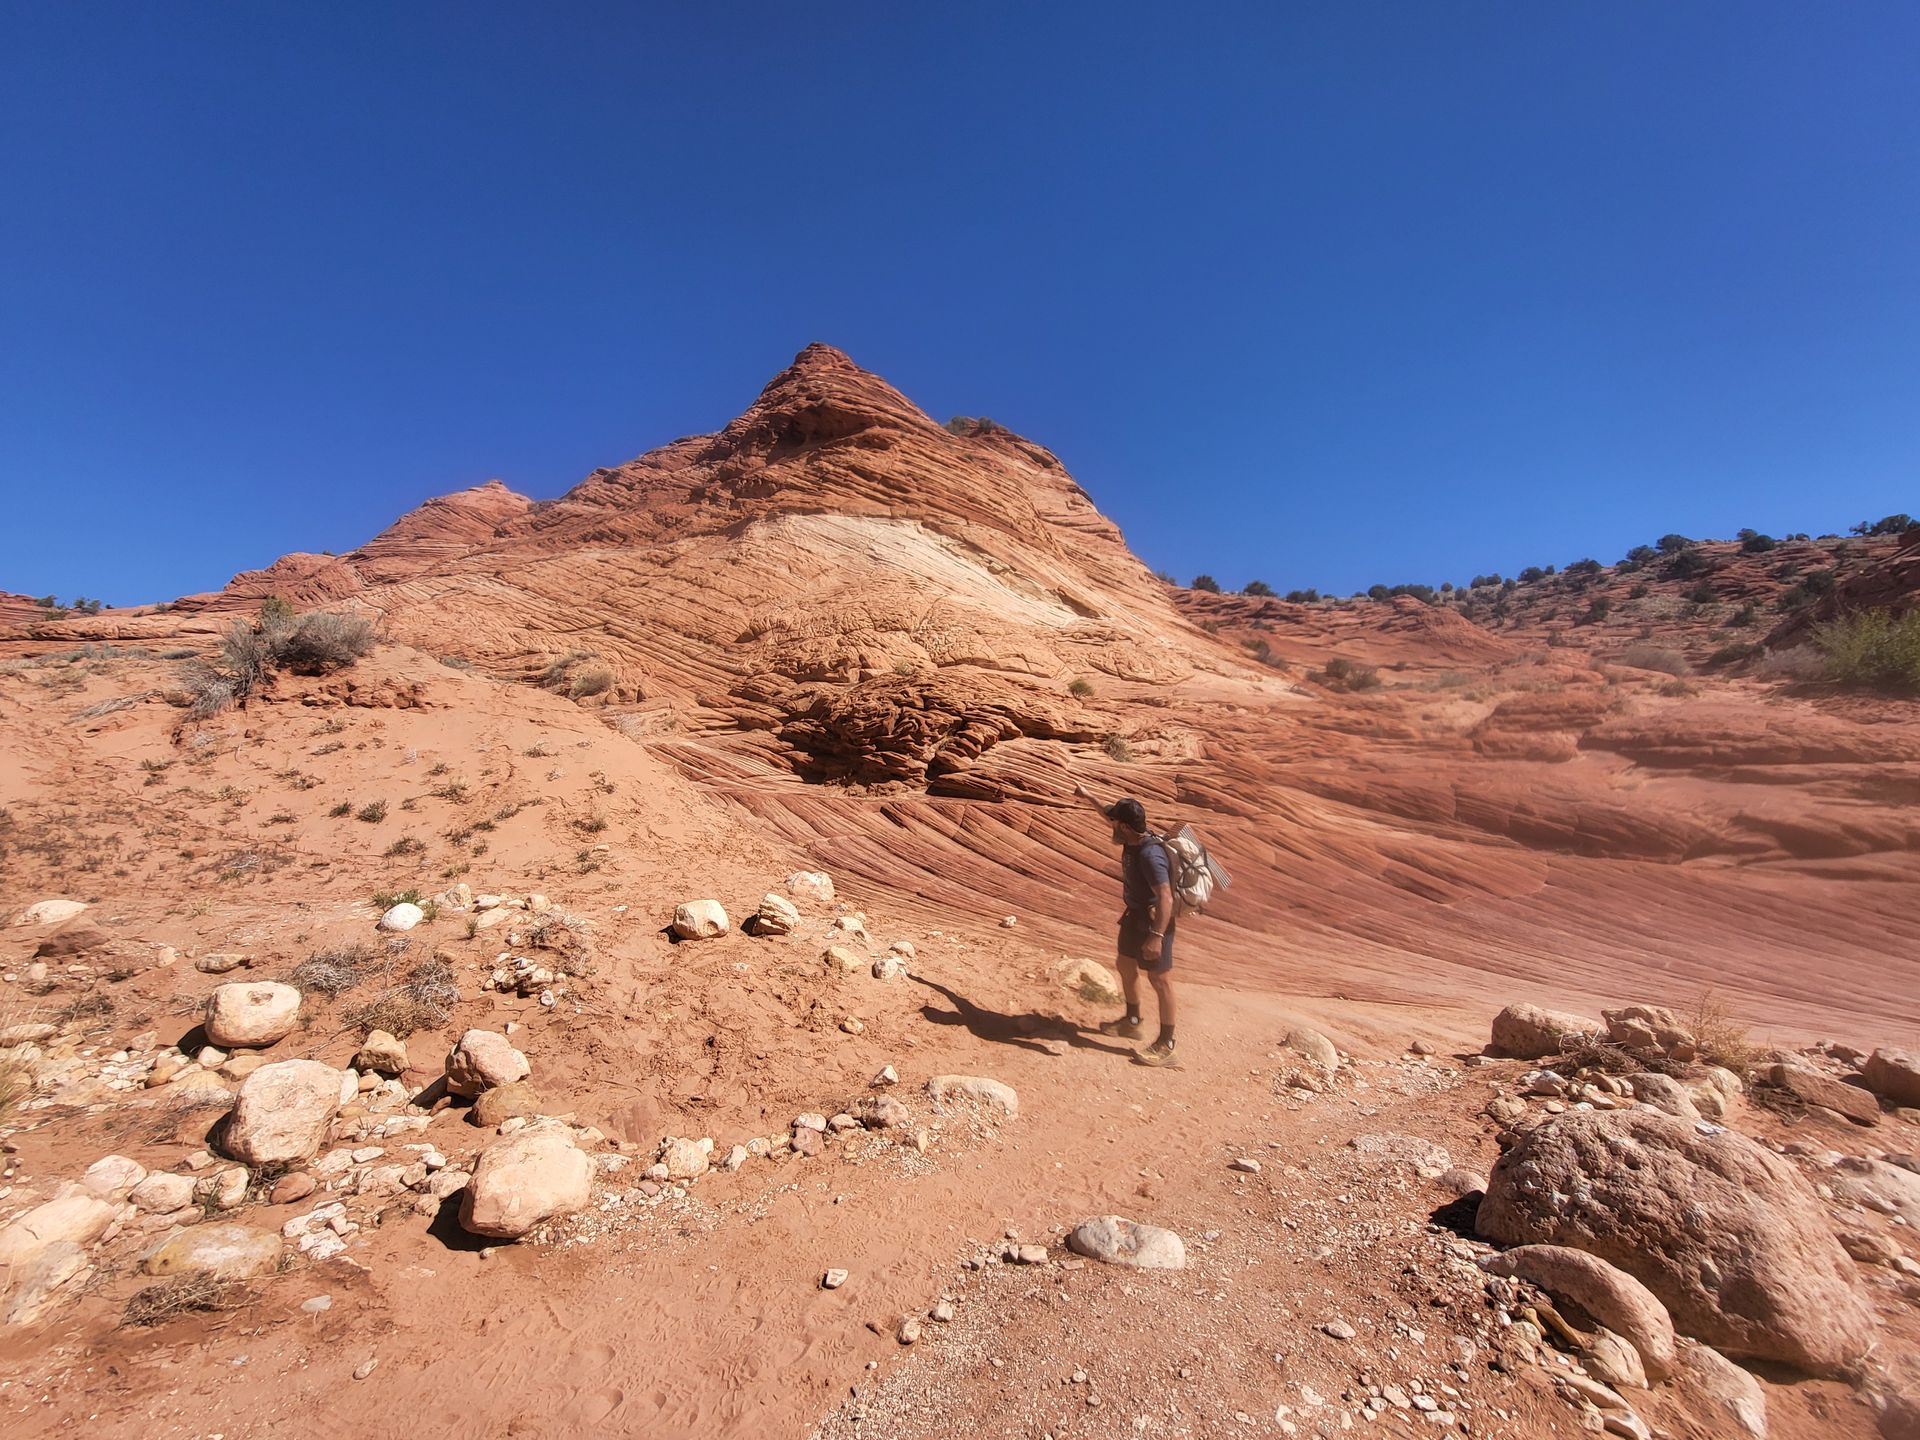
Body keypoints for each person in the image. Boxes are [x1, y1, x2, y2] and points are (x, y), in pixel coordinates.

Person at [1073, 783, 1178, 1067]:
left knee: (1160, 979)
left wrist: (1156, 936)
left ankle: (1167, 1044)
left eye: (1115, 823)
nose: (1111, 826)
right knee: (1125, 964)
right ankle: (1132, 1020)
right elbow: (1105, 813)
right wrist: (1087, 796)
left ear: (1125, 827)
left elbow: (1166, 897)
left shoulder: (1149, 855)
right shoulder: (1130, 836)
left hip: (1155, 921)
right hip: (1134, 915)